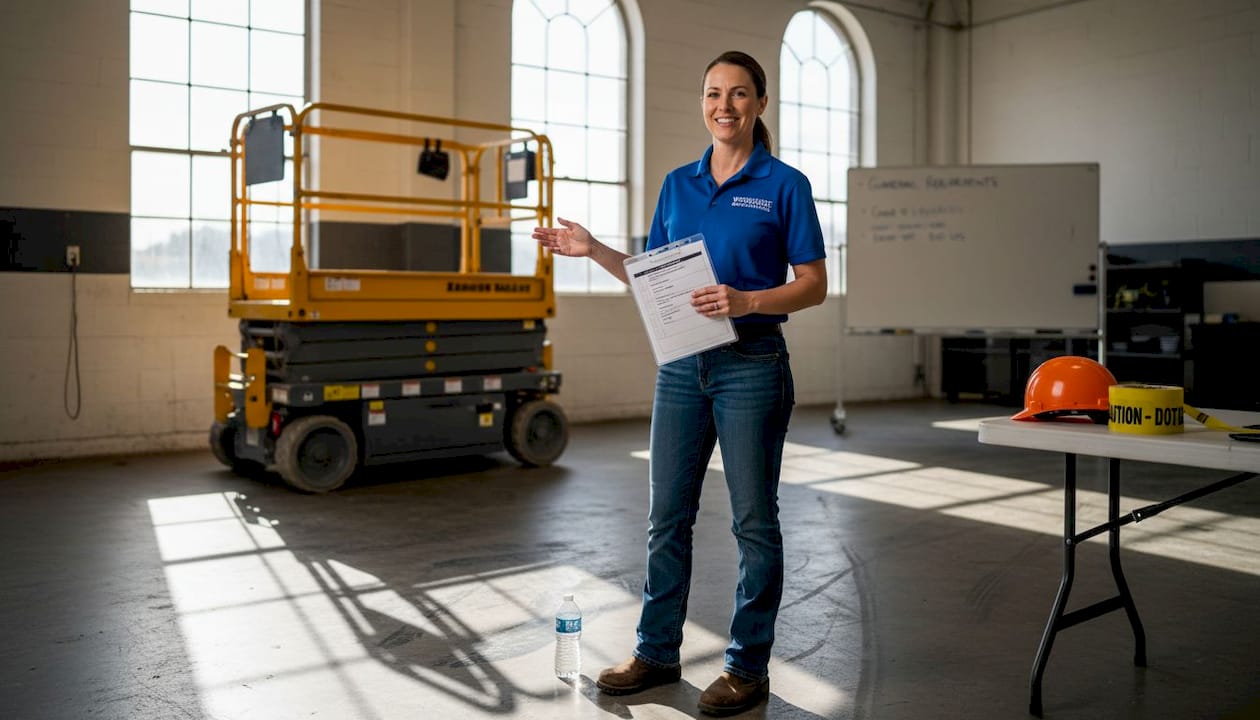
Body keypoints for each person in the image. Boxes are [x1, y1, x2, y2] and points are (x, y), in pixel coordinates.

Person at [533, 49, 827, 716]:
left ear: (760, 103)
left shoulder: (785, 184)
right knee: (668, 520)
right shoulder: (678, 184)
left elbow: (813, 285)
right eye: (713, 93)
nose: (724, 105)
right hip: (681, 368)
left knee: (755, 525)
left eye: (739, 93)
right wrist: (595, 250)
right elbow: (655, 275)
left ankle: (747, 669)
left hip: (752, 366)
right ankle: (657, 653)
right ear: (703, 102)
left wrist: (747, 301)